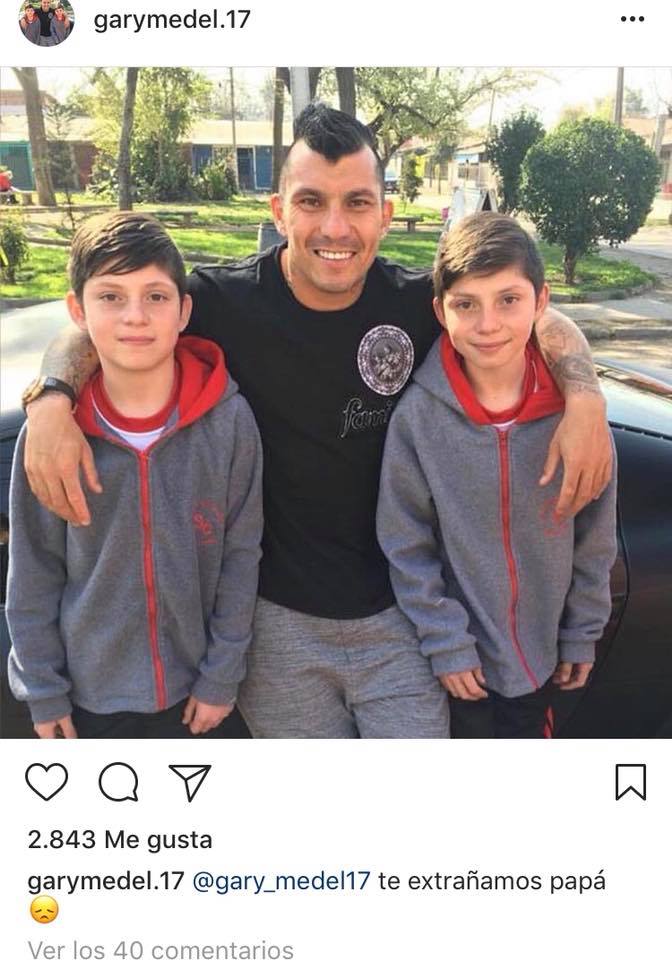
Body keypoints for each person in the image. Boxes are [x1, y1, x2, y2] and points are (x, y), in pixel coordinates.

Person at [22, 104, 613, 739]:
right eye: (311, 201)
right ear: (279, 212)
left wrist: (584, 397)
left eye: (357, 202)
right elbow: (115, 319)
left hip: (403, 623)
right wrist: (52, 398)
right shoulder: (222, 303)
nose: (335, 227)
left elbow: (535, 316)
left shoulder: (419, 304)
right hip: (275, 630)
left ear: (385, 214)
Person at [7, 212, 263, 738]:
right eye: (111, 297)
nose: (135, 317)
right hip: (88, 700)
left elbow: (240, 558)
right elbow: (32, 572)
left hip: (200, 695)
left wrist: (222, 676)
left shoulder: (229, 422)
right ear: (77, 310)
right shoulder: (52, 439)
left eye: (156, 296)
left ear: (183, 311)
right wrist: (43, 689)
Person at [377, 213, 618, 737]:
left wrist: (582, 631)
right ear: (440, 312)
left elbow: (595, 539)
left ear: (541, 300)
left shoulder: (575, 421)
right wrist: (445, 640)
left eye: (509, 300)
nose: (488, 325)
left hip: (540, 663)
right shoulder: (419, 419)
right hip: (454, 667)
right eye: (466, 304)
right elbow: (406, 542)